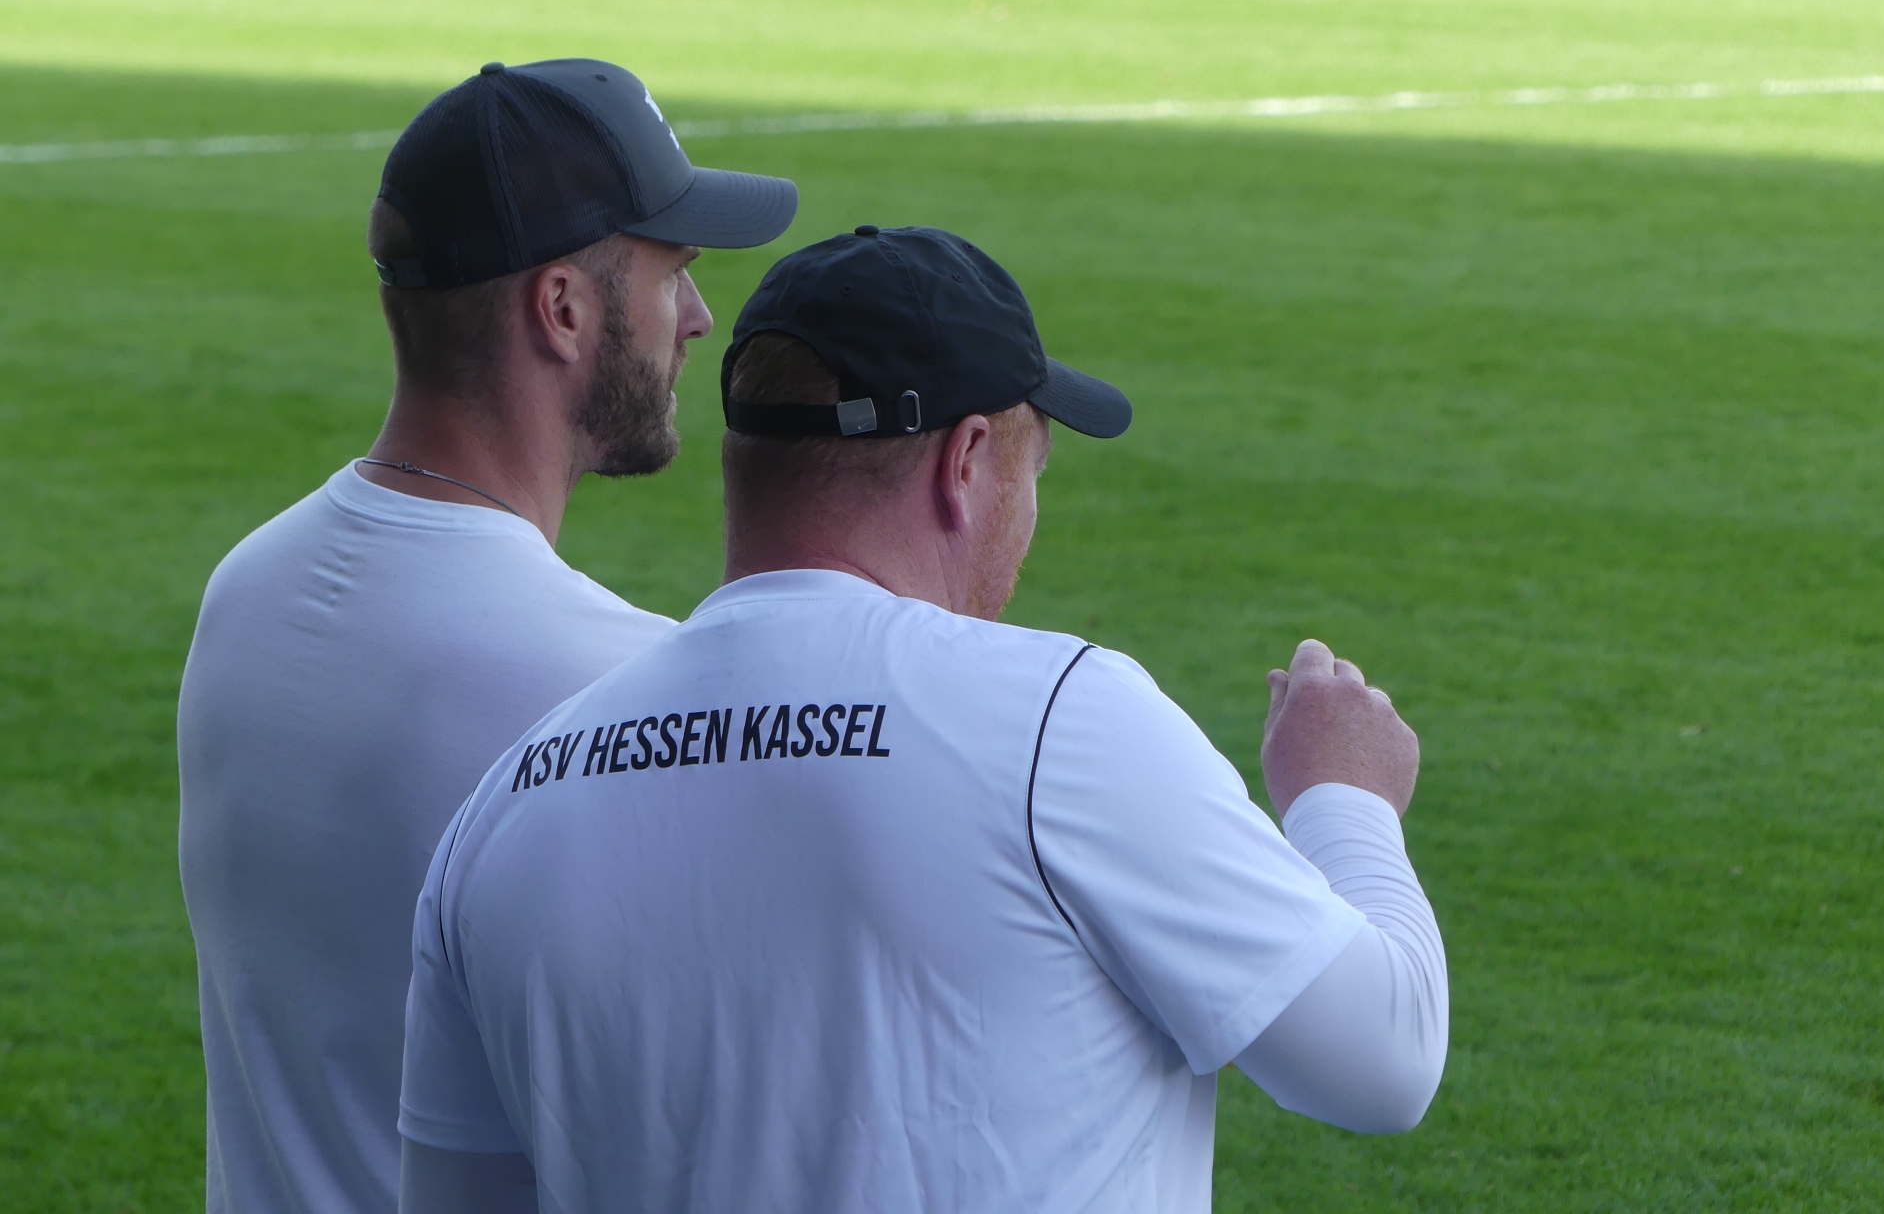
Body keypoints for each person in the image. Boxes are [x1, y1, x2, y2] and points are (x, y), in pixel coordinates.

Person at [396, 227, 1449, 1214]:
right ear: (966, 462)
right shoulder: (1059, 724)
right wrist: (1344, 798)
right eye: (1031, 473)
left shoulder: (511, 798)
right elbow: (1384, 1059)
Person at [176, 58, 797, 1214]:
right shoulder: (623, 690)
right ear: (561, 309)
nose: (699, 318)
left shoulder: (246, 588)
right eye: (674, 272)